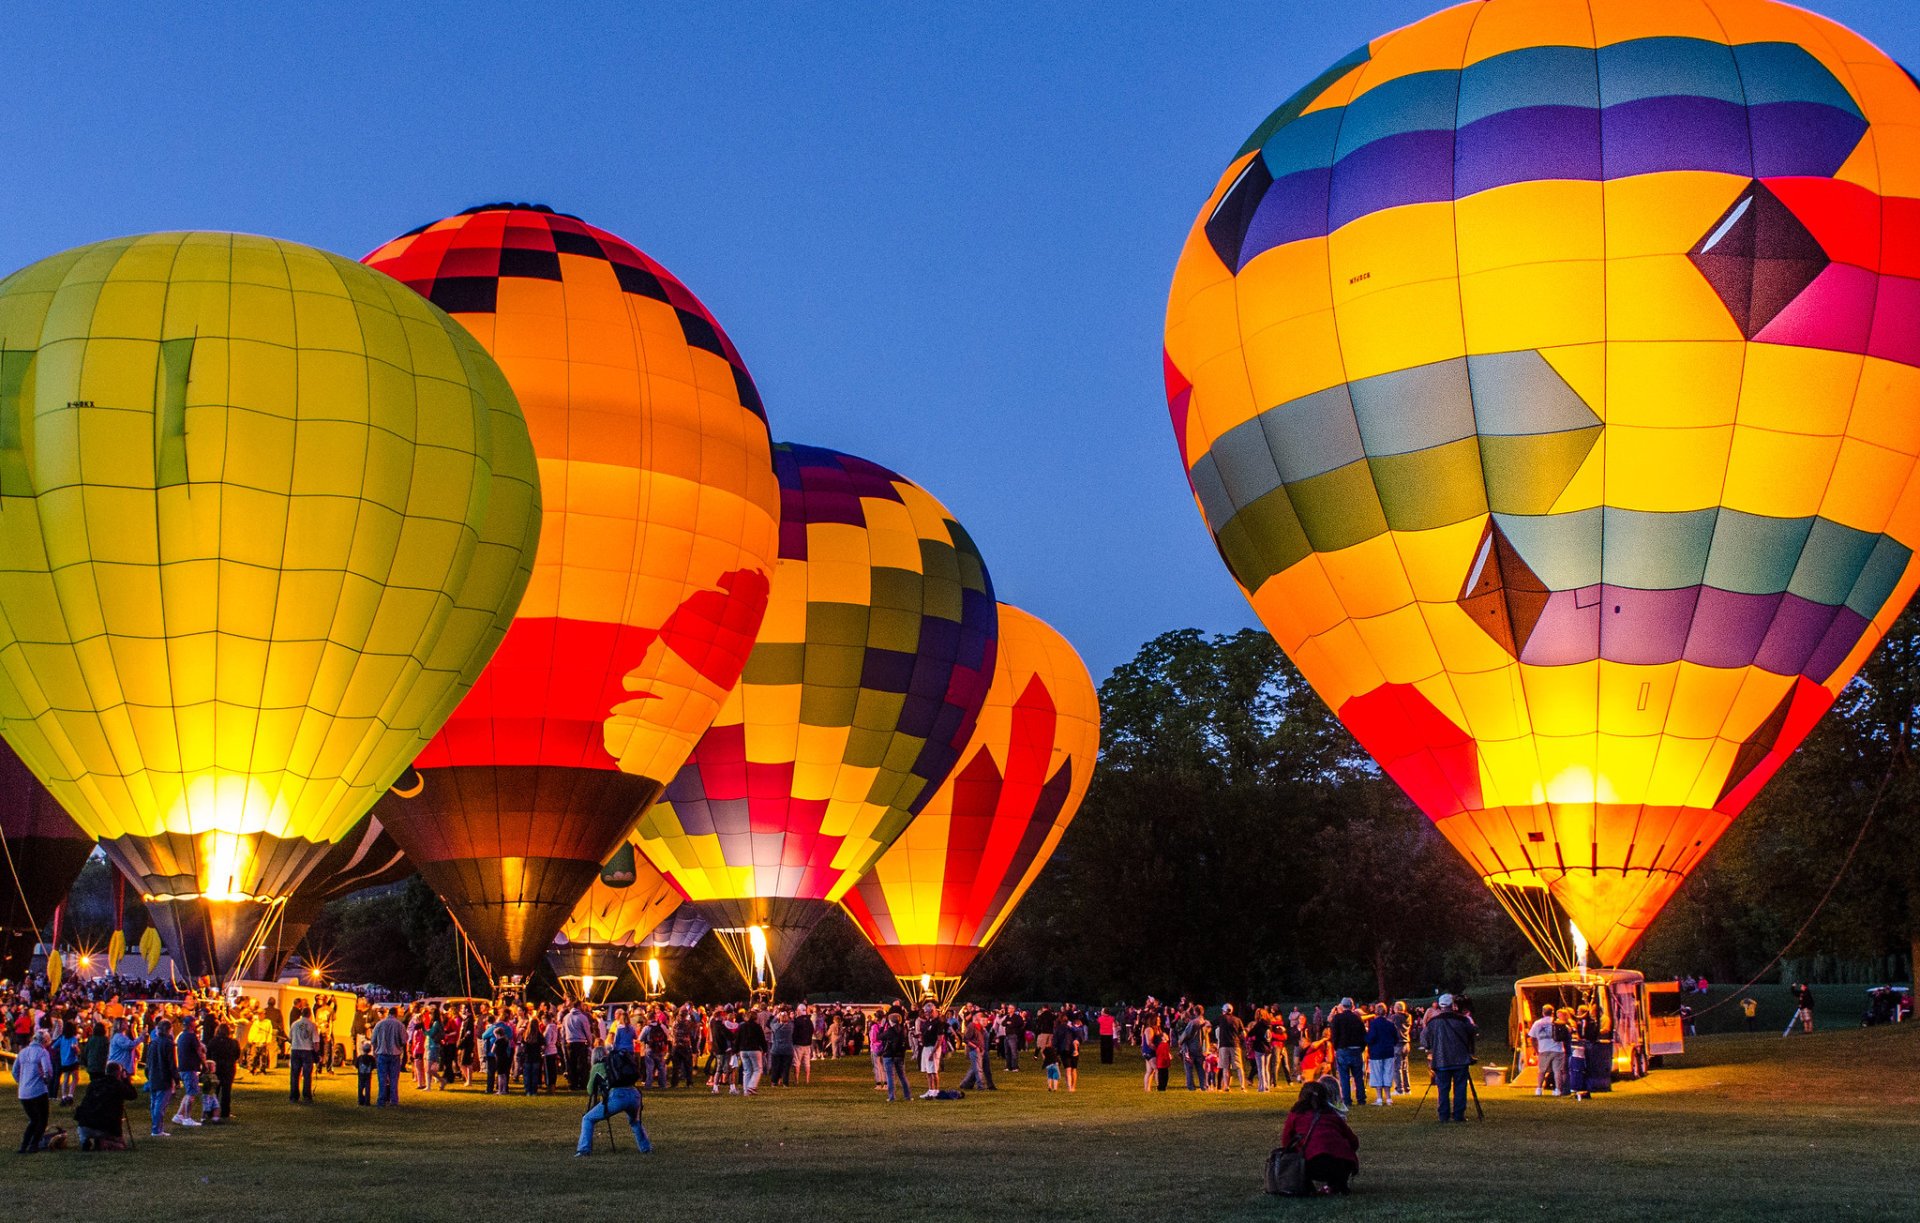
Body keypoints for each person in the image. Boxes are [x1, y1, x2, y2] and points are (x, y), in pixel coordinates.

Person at [1280, 1080, 1361, 1195]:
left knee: (1304, 1164)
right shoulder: (1332, 1115)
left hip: (1313, 1162)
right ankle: (1337, 1185)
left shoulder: (1296, 1114)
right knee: (1336, 1167)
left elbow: (1286, 1141)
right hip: (1343, 1162)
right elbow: (1353, 1140)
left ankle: (1307, 1186)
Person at [575, 1044, 650, 1156]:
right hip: (634, 1094)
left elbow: (590, 1090)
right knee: (635, 1122)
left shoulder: (597, 1066)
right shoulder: (617, 1063)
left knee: (588, 1119)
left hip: (617, 1096)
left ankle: (583, 1150)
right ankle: (646, 1148)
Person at [1422, 993, 1477, 1123]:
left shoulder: (1433, 1022)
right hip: (1460, 1059)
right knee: (1460, 1088)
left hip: (1441, 1059)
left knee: (1443, 1089)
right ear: (1453, 1005)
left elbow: (1425, 1040)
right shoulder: (1462, 1020)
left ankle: (1443, 1115)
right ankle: (1458, 1115)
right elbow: (1473, 1032)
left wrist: (1431, 1046)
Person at [74, 1061, 138, 1152]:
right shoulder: (118, 1085)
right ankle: (103, 1142)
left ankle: (85, 1140)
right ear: (119, 1073)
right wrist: (126, 1080)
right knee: (121, 1146)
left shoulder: (94, 1083)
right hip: (104, 1125)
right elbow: (133, 1095)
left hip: (83, 1124)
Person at [15, 1028, 53, 1154]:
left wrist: (22, 1082)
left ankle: (24, 1145)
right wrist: (46, 1080)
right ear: (45, 1041)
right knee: (42, 1119)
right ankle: (34, 1144)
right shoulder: (42, 1052)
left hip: (23, 1092)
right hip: (38, 1091)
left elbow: (15, 1071)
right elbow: (48, 1071)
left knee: (33, 1119)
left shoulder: (23, 1052)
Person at [1328, 999, 1366, 1109]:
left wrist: (1336, 1047)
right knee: (1358, 1076)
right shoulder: (1357, 1018)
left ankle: (1347, 1099)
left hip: (1343, 1049)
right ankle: (1361, 1098)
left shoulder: (1338, 1018)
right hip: (1356, 1049)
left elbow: (1334, 1034)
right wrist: (1361, 1047)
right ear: (1352, 1006)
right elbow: (1363, 1034)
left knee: (1344, 1076)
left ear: (1342, 1006)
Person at [144, 1017, 178, 1137]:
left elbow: (148, 1061)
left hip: (153, 1075)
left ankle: (157, 1127)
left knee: (154, 1103)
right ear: (169, 1030)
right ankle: (157, 1129)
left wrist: (148, 1074)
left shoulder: (153, 1042)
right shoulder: (168, 1044)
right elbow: (171, 1063)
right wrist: (176, 1078)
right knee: (160, 1104)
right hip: (164, 1076)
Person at [205, 1020, 240, 1123]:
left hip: (216, 1068)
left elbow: (208, 1054)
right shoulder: (233, 1042)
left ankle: (211, 1111)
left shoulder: (212, 1041)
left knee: (214, 1090)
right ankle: (225, 1112)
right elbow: (237, 1055)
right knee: (226, 1091)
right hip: (228, 1068)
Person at [372, 1006, 406, 1107]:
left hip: (382, 1054)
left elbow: (373, 1040)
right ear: (395, 1014)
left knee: (382, 1079)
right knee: (394, 1079)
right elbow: (404, 1041)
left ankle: (381, 1101)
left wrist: (375, 1051)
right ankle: (394, 1100)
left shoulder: (379, 1024)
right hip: (395, 1054)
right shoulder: (399, 1025)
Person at [1364, 1004, 1398, 1106]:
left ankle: (1379, 1098)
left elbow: (1371, 1038)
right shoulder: (1390, 1024)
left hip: (1376, 1052)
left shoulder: (1374, 1024)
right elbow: (1395, 1038)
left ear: (1376, 1012)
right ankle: (1388, 1098)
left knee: (1377, 1074)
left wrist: (1367, 1038)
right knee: (1387, 1073)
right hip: (1388, 1051)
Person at [1528, 1005, 1566, 1096]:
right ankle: (1558, 1090)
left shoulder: (1537, 1023)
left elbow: (1532, 1038)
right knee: (1557, 1071)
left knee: (1542, 1071)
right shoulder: (1558, 1022)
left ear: (1543, 1012)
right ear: (1552, 1012)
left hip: (1544, 1049)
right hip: (1558, 1049)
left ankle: (1539, 1089)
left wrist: (1536, 1050)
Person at [288, 1005, 318, 1102]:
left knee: (295, 1074)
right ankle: (307, 1096)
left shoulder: (294, 1024)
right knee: (307, 1075)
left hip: (295, 1049)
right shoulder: (312, 1025)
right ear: (310, 1014)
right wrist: (317, 1054)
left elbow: (290, 1038)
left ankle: (293, 1096)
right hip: (307, 1051)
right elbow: (316, 1042)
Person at [879, 1010, 910, 1102]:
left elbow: (879, 1036)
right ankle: (907, 1095)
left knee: (890, 1076)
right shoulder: (903, 1030)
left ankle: (892, 1096)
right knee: (902, 1076)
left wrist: (882, 1026)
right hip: (900, 1055)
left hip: (889, 1055)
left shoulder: (890, 1031)